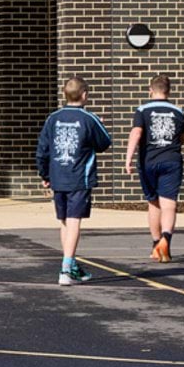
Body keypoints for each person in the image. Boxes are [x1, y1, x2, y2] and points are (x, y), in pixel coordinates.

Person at [37, 77, 111, 285]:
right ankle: (66, 268)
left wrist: (45, 174)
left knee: (65, 221)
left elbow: (42, 149)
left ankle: (71, 263)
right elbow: (105, 142)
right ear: (85, 95)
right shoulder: (89, 119)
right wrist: (99, 128)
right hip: (80, 177)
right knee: (74, 221)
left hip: (58, 177)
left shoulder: (53, 118)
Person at [125, 74, 184, 262]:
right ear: (169, 91)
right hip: (171, 160)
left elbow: (136, 133)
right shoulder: (178, 112)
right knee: (169, 204)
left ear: (150, 90)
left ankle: (155, 243)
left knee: (153, 202)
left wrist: (128, 158)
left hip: (148, 161)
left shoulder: (142, 110)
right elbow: (182, 138)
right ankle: (166, 238)